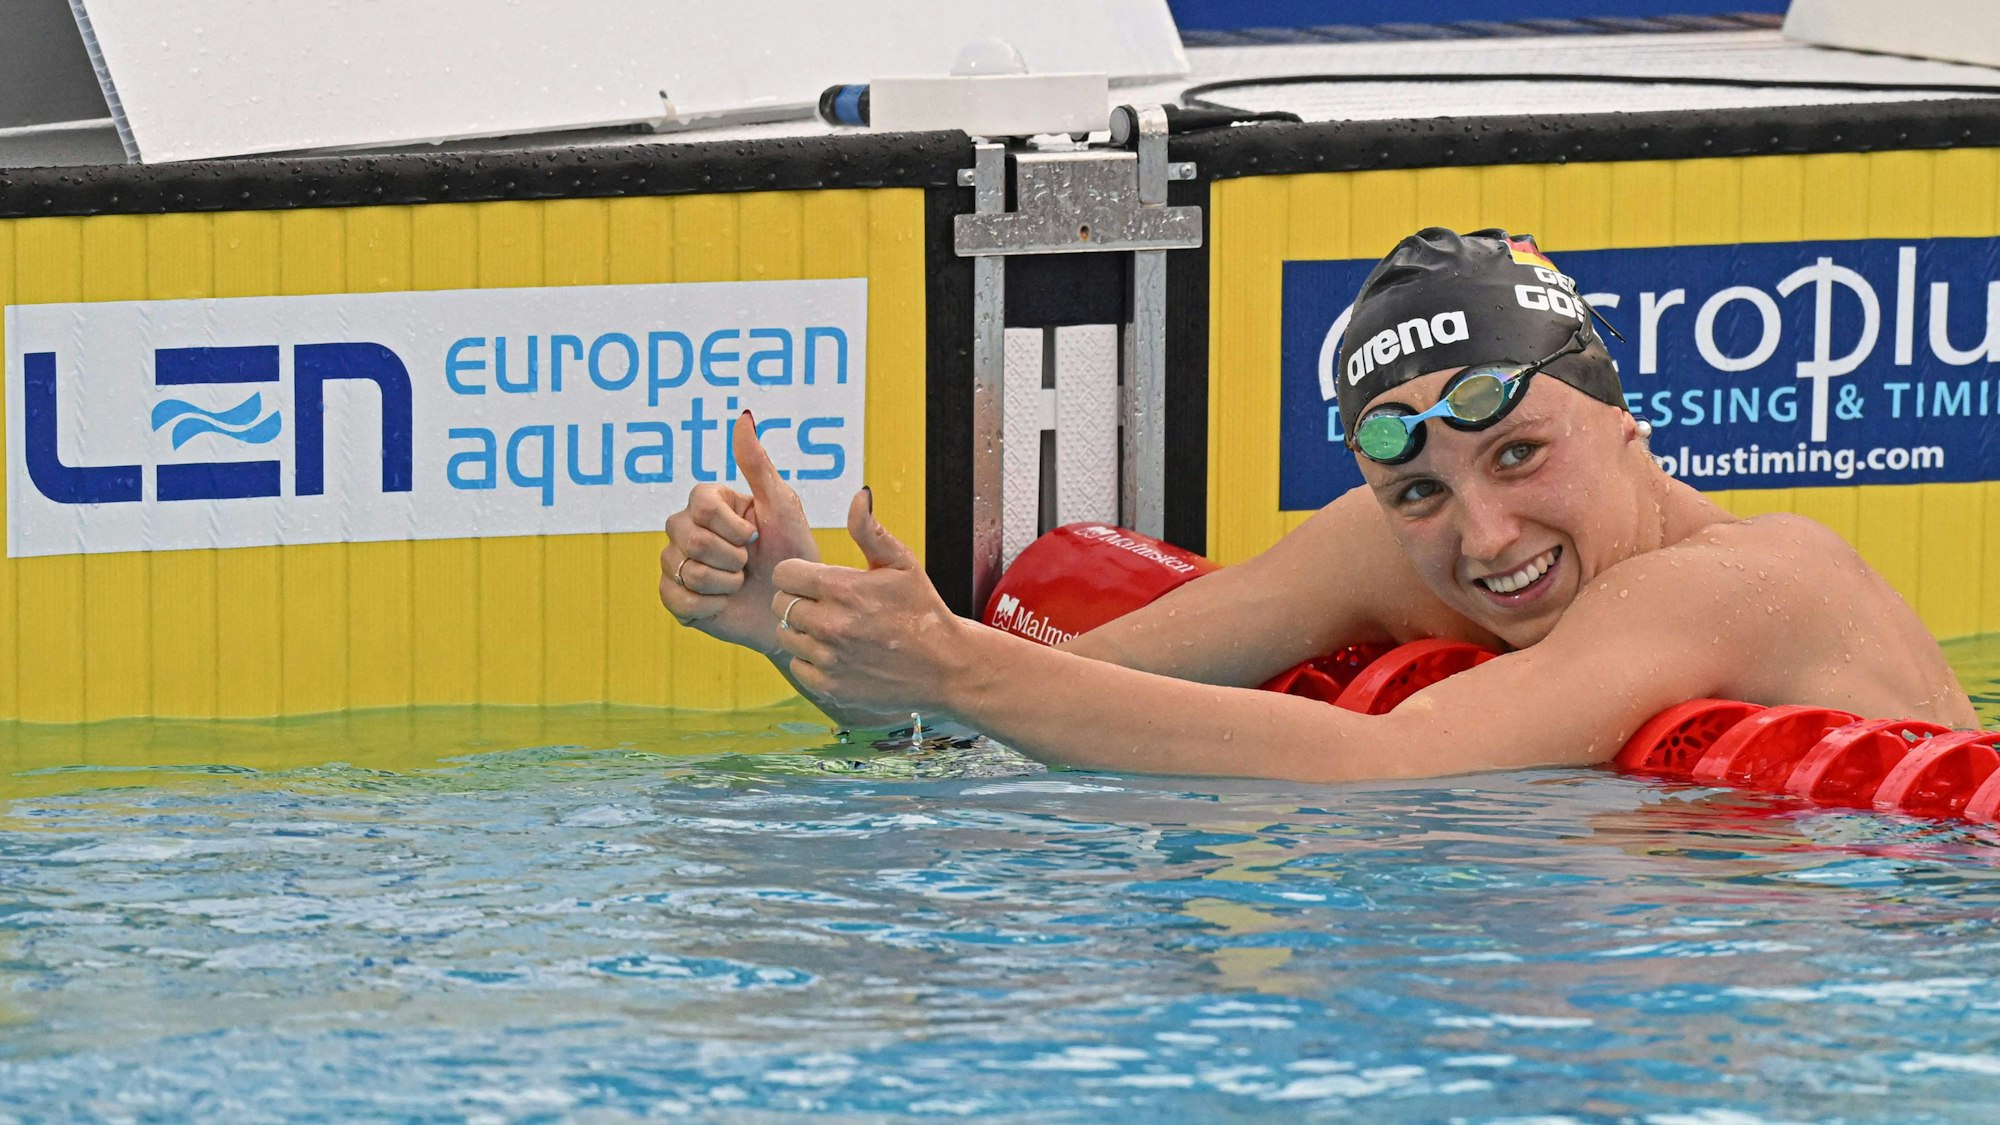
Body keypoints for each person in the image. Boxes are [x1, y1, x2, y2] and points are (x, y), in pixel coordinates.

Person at [659, 228, 1977, 781]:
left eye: (1521, 454)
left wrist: (955, 661)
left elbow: (1383, 767)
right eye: (1418, 489)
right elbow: (1017, 708)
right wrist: (798, 622)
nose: (1484, 538)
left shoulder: (1752, 579)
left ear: (1627, 421)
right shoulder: (1392, 551)